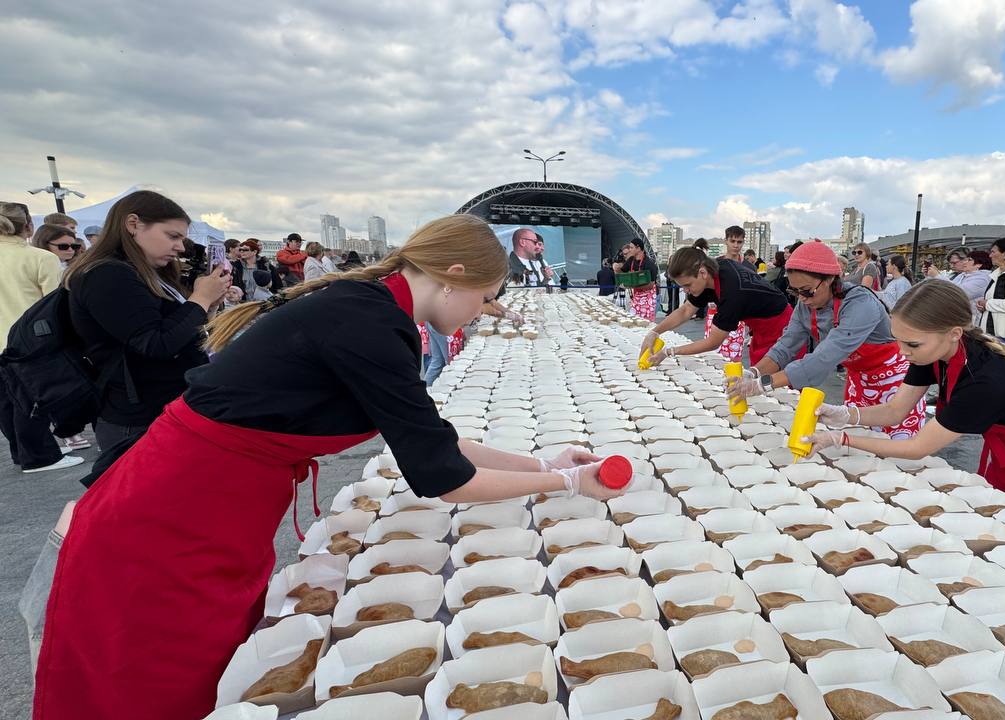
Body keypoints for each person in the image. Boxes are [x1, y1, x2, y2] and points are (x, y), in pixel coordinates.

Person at [33, 214, 625, 720]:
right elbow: (444, 477)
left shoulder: (373, 309)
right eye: (486, 295)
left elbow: (431, 440)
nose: (481, 311)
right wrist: (566, 481)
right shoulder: (369, 322)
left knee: (216, 656)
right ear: (455, 278)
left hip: (220, 499)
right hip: (172, 510)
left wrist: (541, 460)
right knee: (153, 673)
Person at [802, 280, 1005, 524]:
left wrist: (841, 439)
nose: (902, 352)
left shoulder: (985, 379)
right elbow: (895, 410)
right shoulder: (930, 351)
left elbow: (917, 448)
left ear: (954, 333)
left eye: (911, 344)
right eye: (898, 341)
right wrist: (847, 415)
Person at [64, 190, 234, 487]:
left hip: (163, 406)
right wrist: (199, 299)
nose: (180, 247)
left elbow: (174, 331)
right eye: (172, 236)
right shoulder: (107, 275)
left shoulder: (143, 272)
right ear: (133, 224)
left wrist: (208, 303)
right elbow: (155, 344)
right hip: (138, 416)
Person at [729, 241, 928, 438]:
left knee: (897, 448)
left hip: (893, 380)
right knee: (859, 441)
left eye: (806, 291)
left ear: (829, 279)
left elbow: (825, 356)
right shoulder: (805, 305)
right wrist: (753, 372)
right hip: (859, 380)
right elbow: (786, 345)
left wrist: (764, 383)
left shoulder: (859, 303)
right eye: (794, 291)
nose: (802, 298)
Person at [0, 202, 86, 473]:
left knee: (6, 402)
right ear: (29, 226)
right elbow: (54, 305)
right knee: (32, 401)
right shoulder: (39, 258)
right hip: (28, 344)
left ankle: (22, 452)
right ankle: (39, 456)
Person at [642, 247, 793, 367]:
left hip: (781, 327)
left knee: (774, 380)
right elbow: (686, 309)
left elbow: (713, 342)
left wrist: (669, 352)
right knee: (759, 375)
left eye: (687, 285)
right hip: (760, 328)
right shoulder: (711, 273)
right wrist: (654, 332)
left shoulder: (732, 292)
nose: (686, 291)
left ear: (702, 273)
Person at [706, 226, 751, 360]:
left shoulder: (749, 267)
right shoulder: (715, 264)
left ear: (743, 242)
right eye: (732, 241)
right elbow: (707, 286)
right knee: (712, 354)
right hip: (716, 312)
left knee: (734, 356)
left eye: (739, 242)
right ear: (726, 241)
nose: (736, 245)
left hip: (739, 317)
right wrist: (710, 300)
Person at [926, 247, 991, 322]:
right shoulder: (963, 275)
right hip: (959, 317)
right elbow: (945, 288)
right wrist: (931, 276)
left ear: (978, 264)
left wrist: (937, 276)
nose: (965, 262)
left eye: (969, 260)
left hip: (972, 320)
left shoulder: (983, 279)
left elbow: (958, 293)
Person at [615, 239, 660, 322]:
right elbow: (622, 272)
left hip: (649, 298)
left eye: (631, 248)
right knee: (635, 321)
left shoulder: (649, 264)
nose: (630, 250)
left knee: (646, 323)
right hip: (637, 297)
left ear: (638, 248)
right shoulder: (631, 260)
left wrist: (631, 286)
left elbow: (651, 285)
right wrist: (617, 269)